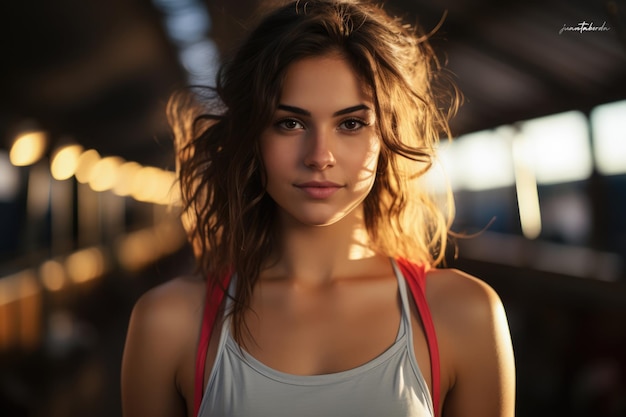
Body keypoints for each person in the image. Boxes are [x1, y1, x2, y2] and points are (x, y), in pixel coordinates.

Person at [121, 1, 516, 416]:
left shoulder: (464, 313)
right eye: (290, 123)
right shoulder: (168, 323)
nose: (319, 156)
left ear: (388, 136)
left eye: (351, 124)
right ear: (251, 137)